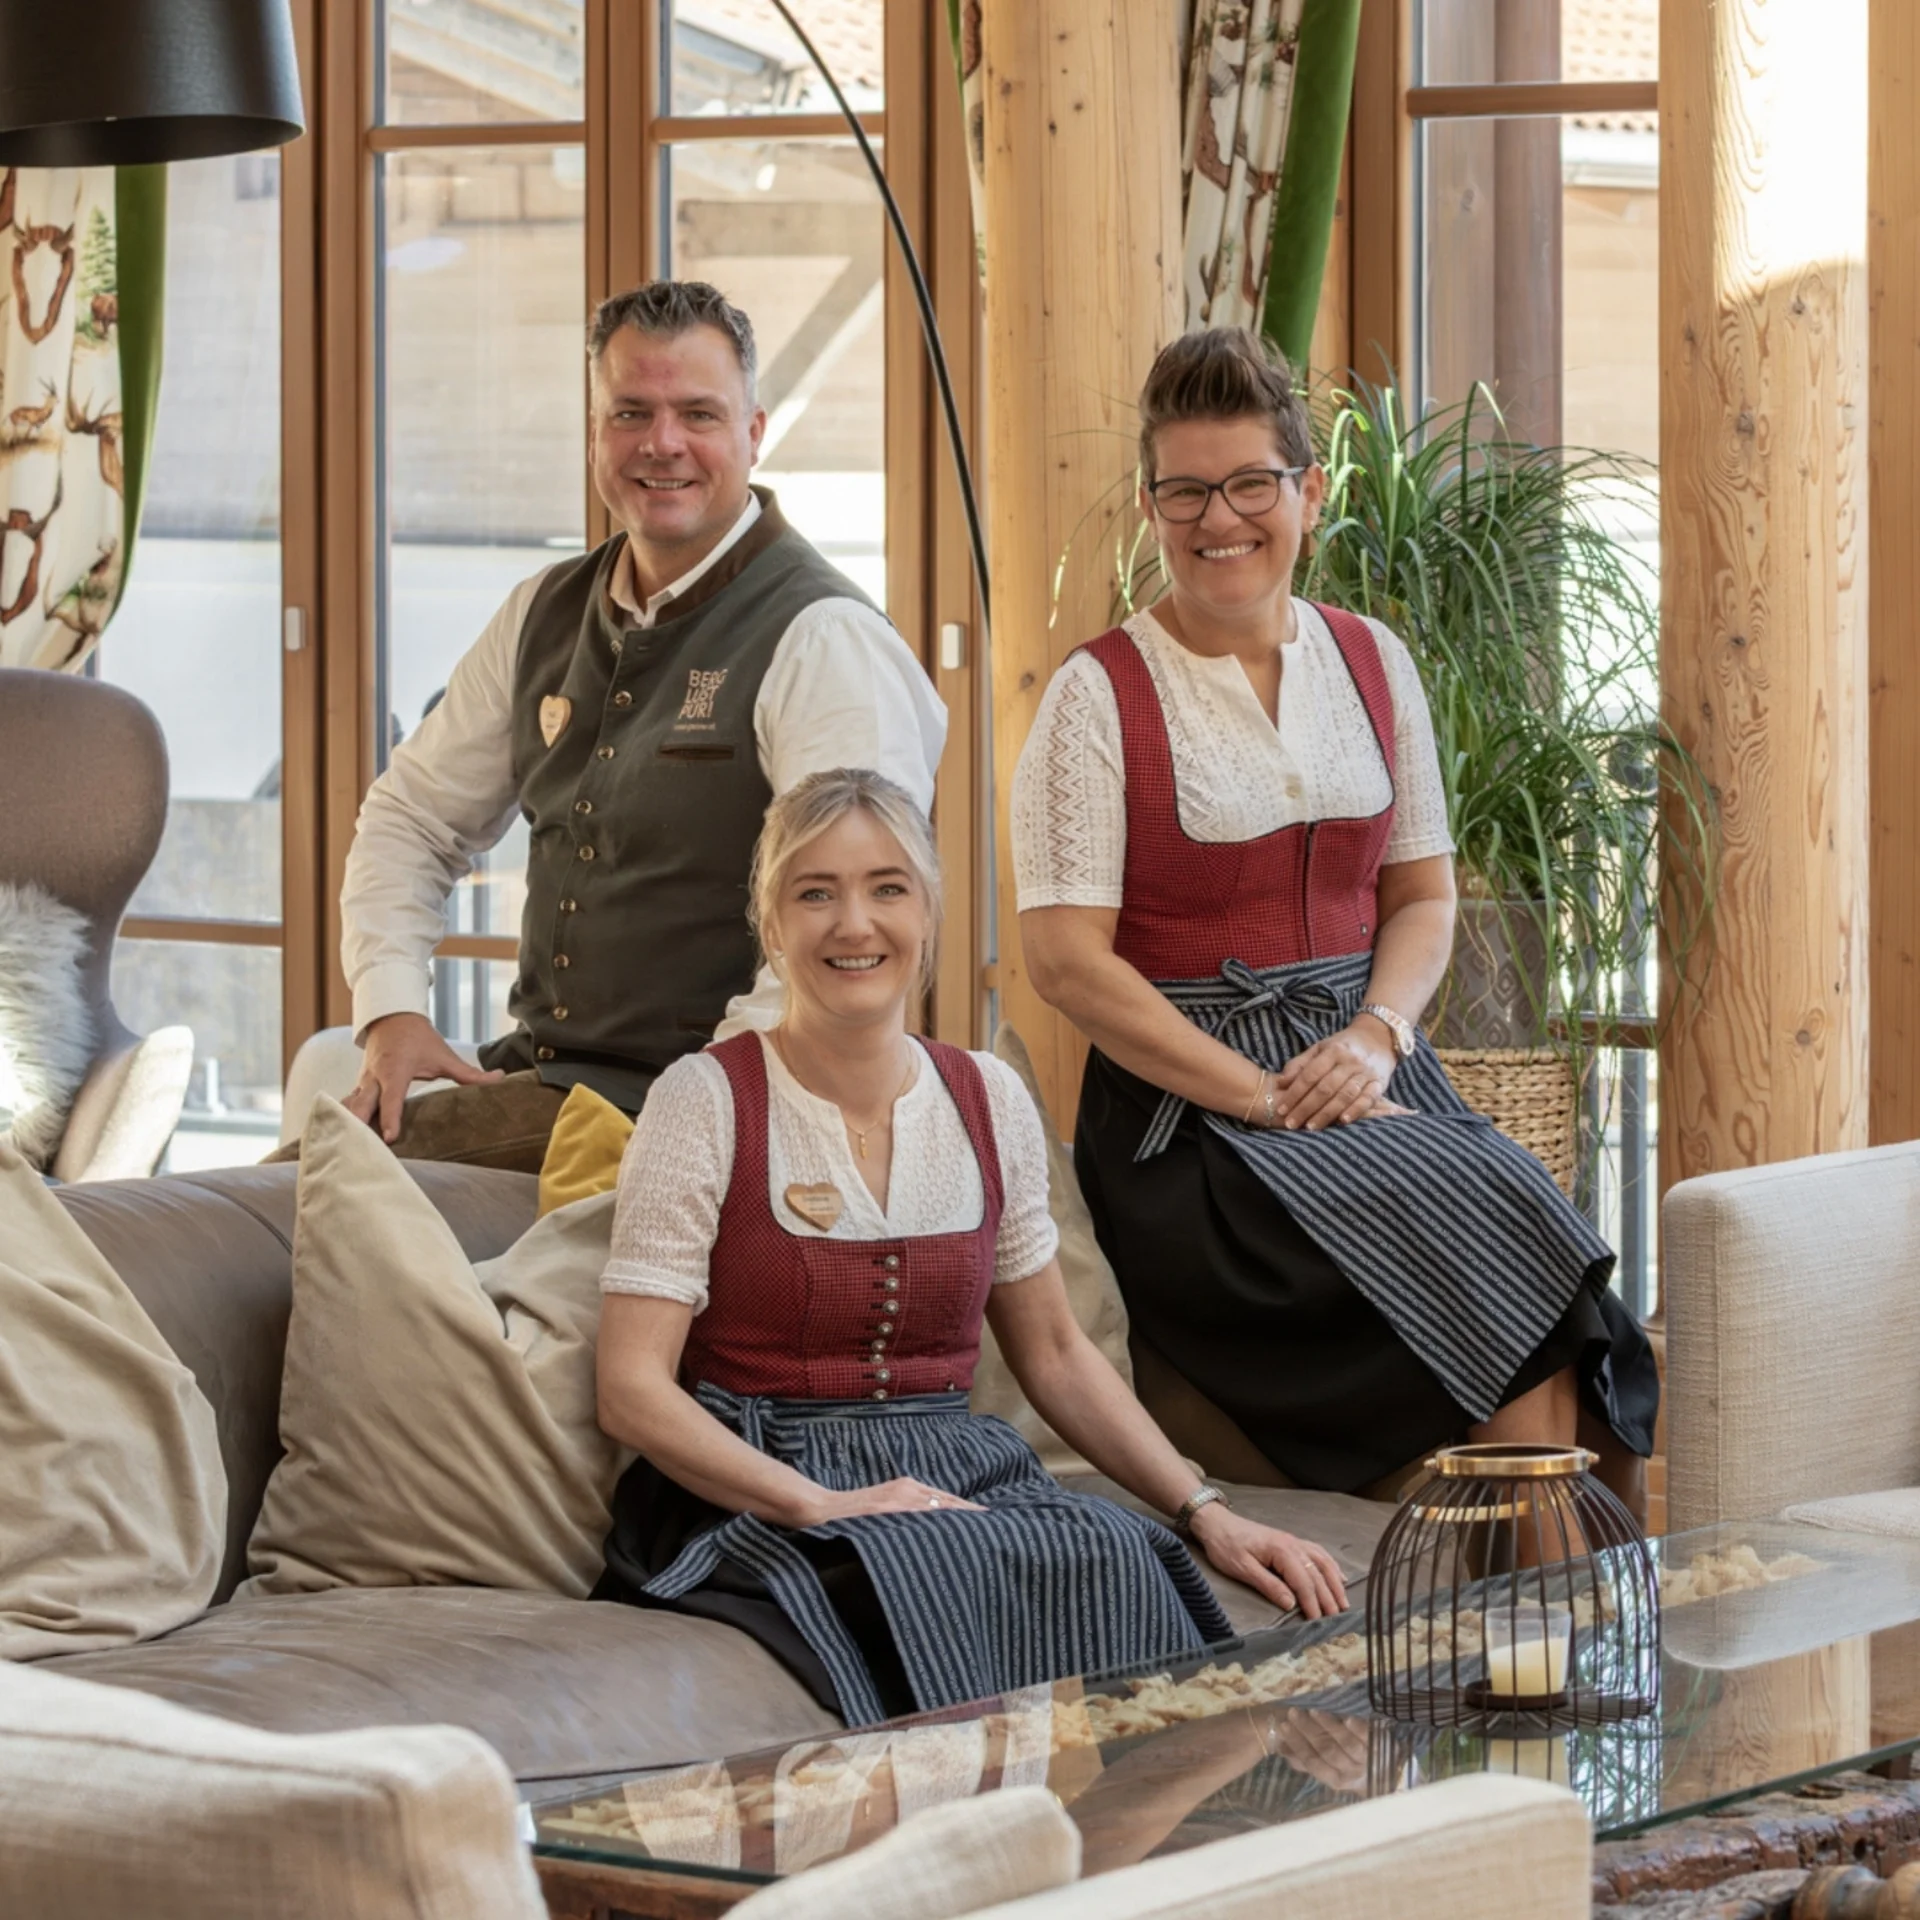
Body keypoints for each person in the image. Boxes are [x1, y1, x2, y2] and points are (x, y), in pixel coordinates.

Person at [1009, 326, 1658, 1501]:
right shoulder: (1094, 696)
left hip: (1369, 1074)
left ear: (1309, 492)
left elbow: (1421, 895)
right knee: (1513, 1227)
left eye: (1251, 483)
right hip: (1193, 1129)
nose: (1221, 520)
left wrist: (1375, 1037)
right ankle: (1551, 1649)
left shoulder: (1373, 660)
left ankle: (1547, 1634)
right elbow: (1063, 965)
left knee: (1554, 1277)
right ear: (1153, 507)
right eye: (1186, 492)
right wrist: (1256, 1091)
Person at [592, 768, 1349, 1724]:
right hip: (753, 1478)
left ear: (930, 916)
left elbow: (1060, 1355)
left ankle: (1138, 1859)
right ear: (771, 924)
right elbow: (630, 1387)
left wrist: (1206, 1512)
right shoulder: (704, 1099)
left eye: (887, 888)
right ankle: (974, 1854)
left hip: (955, 1466)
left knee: (1116, 1552)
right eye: (814, 892)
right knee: (931, 1559)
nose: (853, 924)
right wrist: (817, 1504)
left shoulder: (988, 1099)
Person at [329, 280, 946, 1169]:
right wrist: (391, 1012)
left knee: (280, 1213)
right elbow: (410, 819)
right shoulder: (543, 609)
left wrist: (694, 1124)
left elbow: (848, 941)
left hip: (720, 1121)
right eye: (630, 413)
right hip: (540, 1090)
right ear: (593, 435)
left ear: (754, 433)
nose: (663, 444)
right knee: (262, 1218)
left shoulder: (826, 640)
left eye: (698, 413)